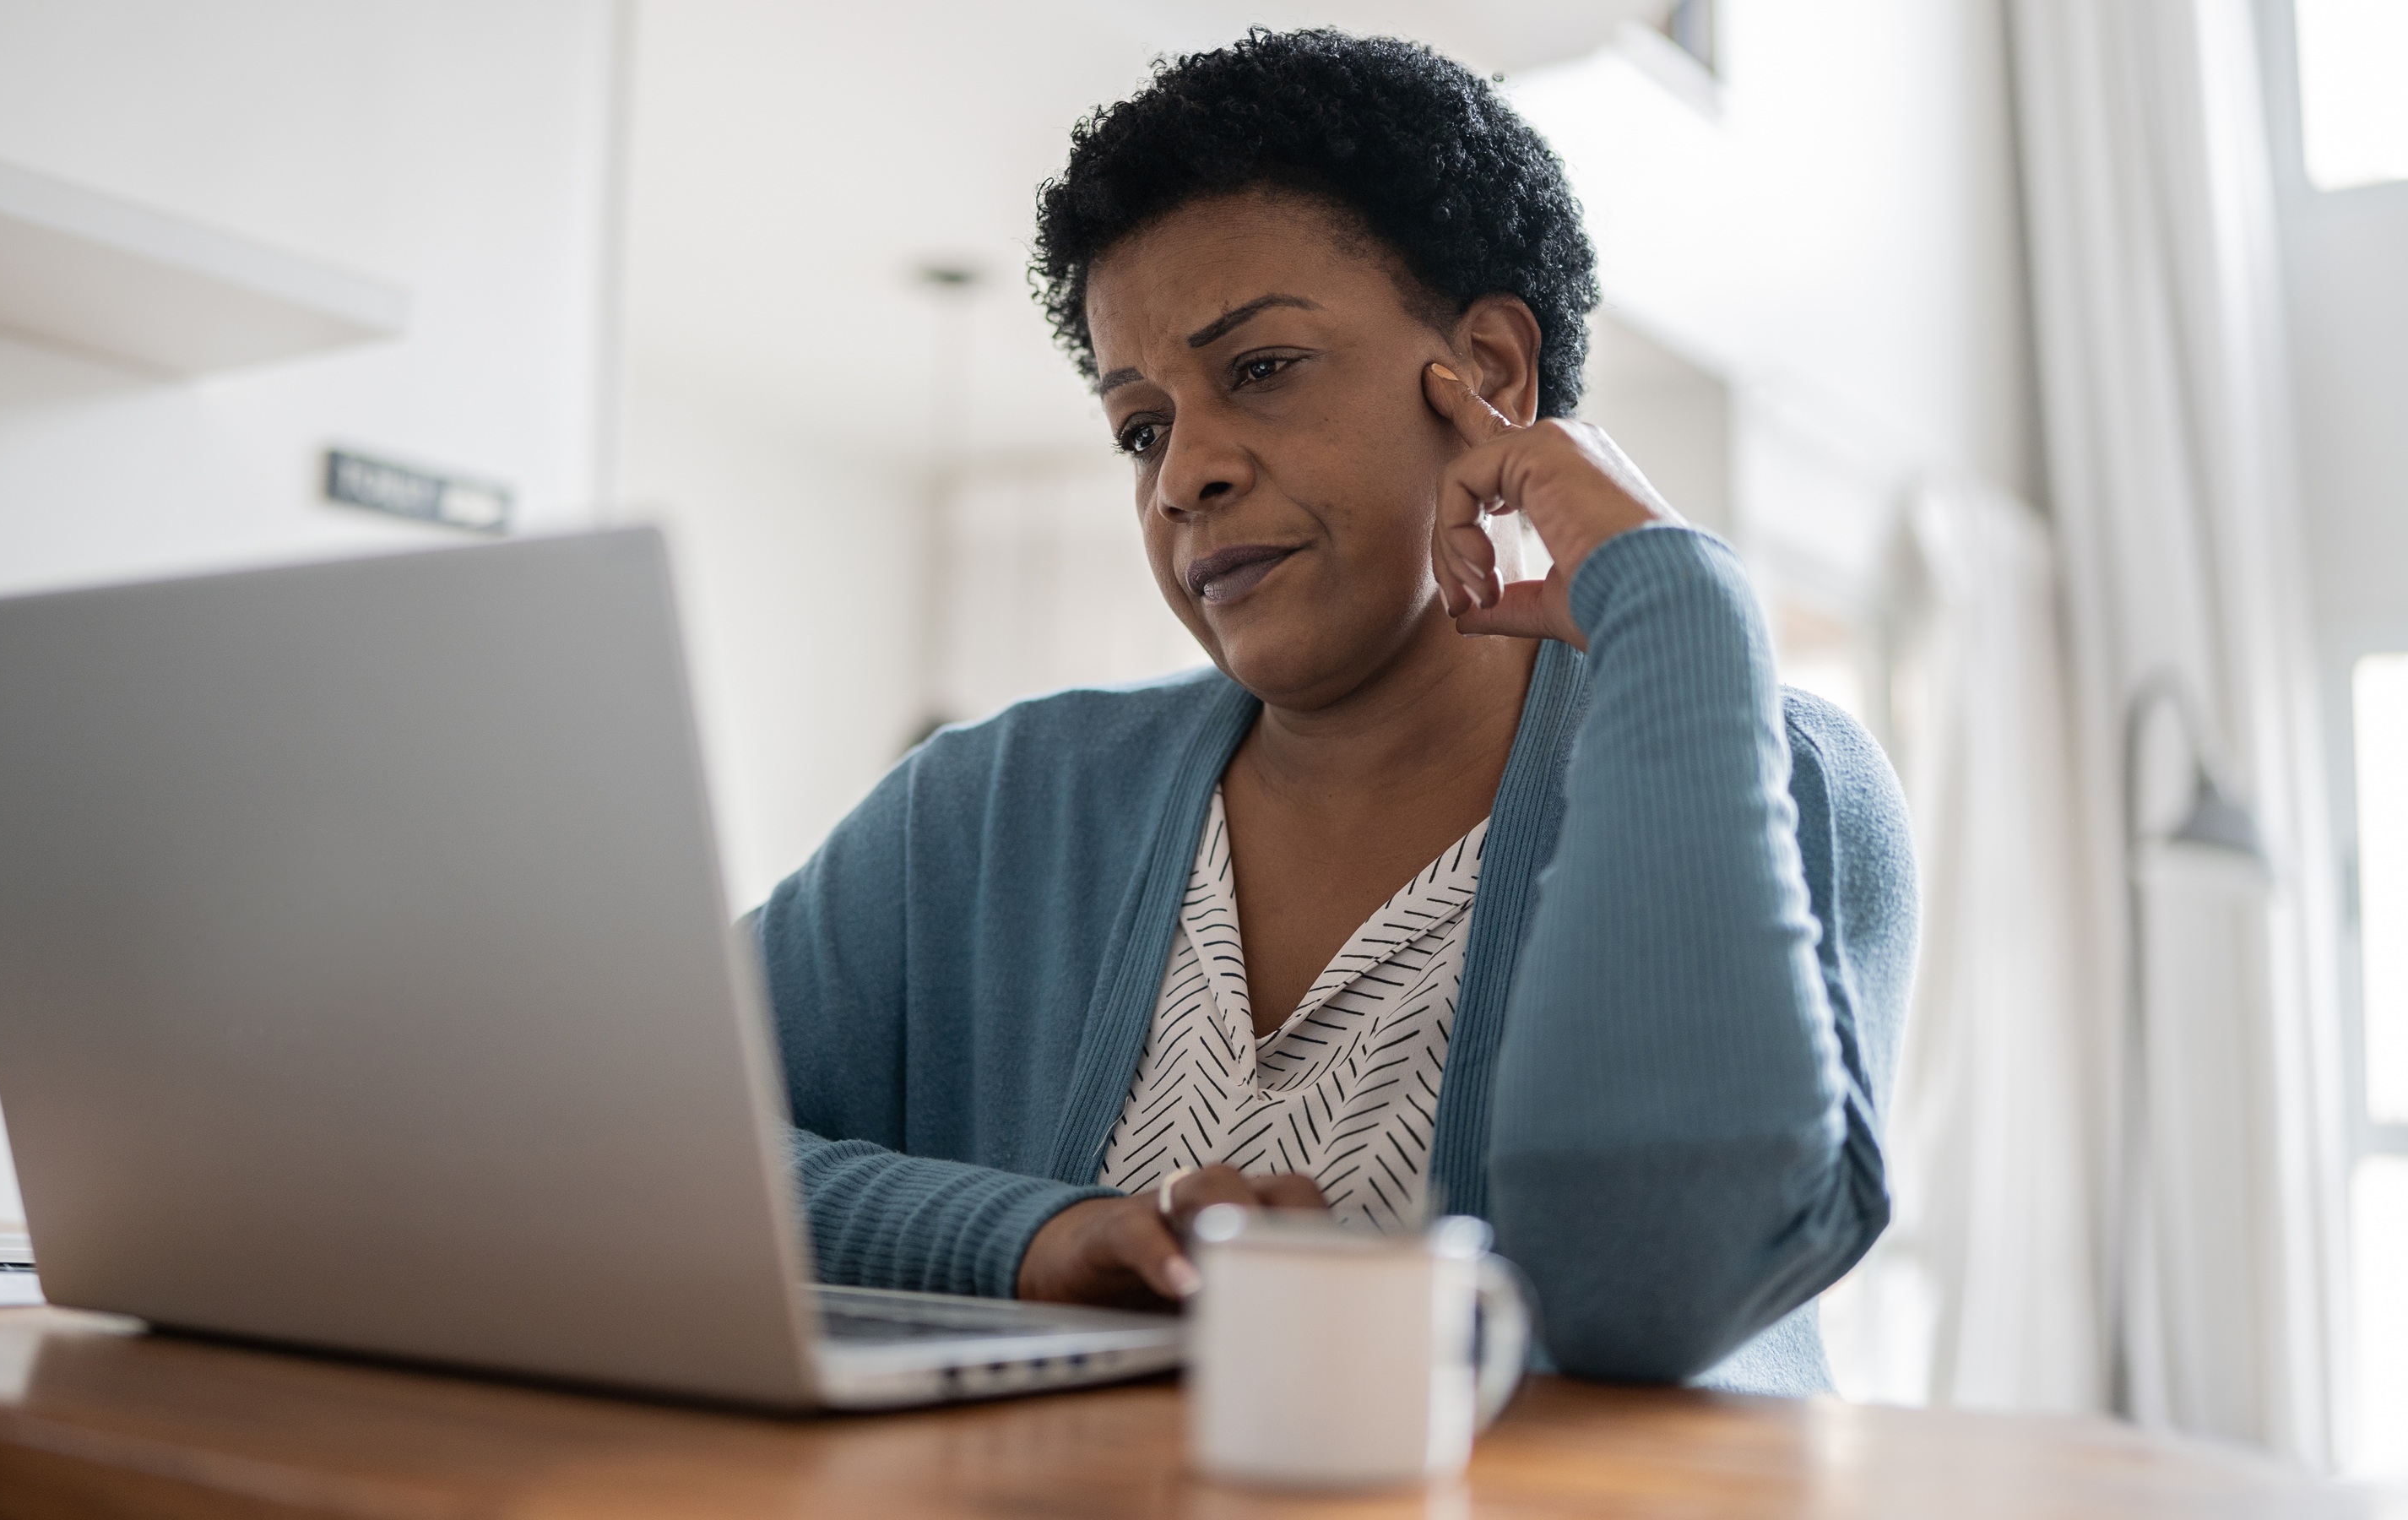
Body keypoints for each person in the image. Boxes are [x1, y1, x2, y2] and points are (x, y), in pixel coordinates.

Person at [749, 28, 1916, 1393]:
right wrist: (1028, 1236)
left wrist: (1683, 601)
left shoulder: (1771, 767)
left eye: (1261, 369)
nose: (1184, 474)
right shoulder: (994, 805)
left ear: (1487, 374)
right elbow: (619, 1133)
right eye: (1140, 425)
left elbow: (1643, 1282)